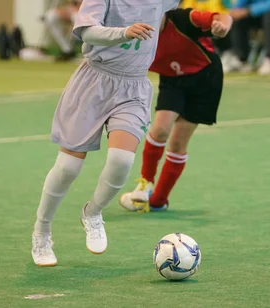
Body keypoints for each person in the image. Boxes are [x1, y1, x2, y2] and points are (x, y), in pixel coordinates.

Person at [30, 0, 180, 267]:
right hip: (94, 83)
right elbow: (87, 31)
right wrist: (124, 31)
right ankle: (42, 231)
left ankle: (93, 212)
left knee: (122, 161)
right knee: (67, 168)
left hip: (133, 86)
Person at [119, 8, 232, 213]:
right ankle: (145, 185)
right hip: (172, 80)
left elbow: (224, 17)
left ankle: (158, 201)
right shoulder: (136, 34)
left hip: (205, 79)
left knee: (178, 142)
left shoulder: (183, 18)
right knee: (160, 130)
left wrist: (222, 27)